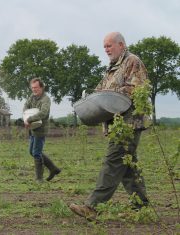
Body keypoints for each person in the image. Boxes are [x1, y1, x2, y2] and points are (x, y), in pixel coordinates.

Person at [70, 32, 149, 220]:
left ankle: (93, 206)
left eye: (109, 45)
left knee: (113, 161)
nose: (106, 49)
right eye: (104, 46)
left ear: (121, 45)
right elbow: (99, 92)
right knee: (128, 167)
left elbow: (138, 89)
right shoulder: (112, 68)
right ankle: (142, 207)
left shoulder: (132, 61)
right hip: (117, 123)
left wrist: (109, 92)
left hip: (129, 122)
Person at [23, 78, 61, 182]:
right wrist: (25, 116)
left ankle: (39, 178)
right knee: (32, 151)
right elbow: (26, 106)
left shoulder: (46, 99)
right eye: (32, 88)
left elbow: (43, 113)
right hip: (32, 128)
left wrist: (29, 119)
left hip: (41, 129)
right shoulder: (32, 97)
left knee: (36, 153)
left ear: (41, 87)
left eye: (36, 88)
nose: (34, 90)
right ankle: (53, 169)